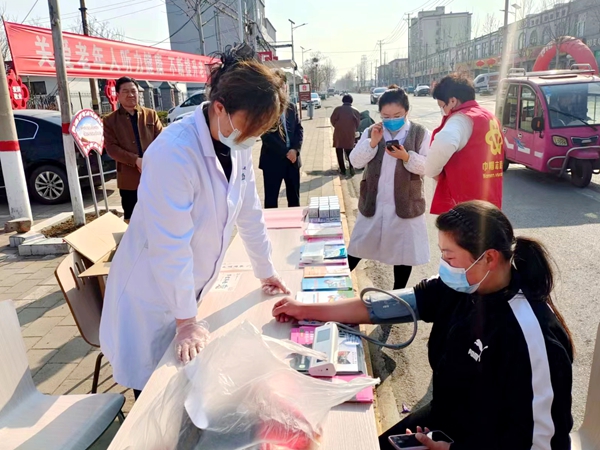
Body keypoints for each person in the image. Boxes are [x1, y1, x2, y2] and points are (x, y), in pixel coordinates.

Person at [272, 200, 574, 450]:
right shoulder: (460, 287)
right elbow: (381, 307)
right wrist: (304, 309)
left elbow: (541, 443)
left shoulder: (530, 337)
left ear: (489, 258)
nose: (444, 266)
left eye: (449, 256)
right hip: (446, 421)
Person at [100, 44, 290, 399]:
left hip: (190, 289)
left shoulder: (235, 144)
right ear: (220, 108)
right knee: (155, 395)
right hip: (152, 296)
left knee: (190, 389)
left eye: (260, 131)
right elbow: (169, 245)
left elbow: (249, 210)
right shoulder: (174, 152)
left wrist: (265, 270)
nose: (252, 138)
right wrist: (186, 321)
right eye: (250, 128)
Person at [348, 86, 431, 290]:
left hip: (405, 204)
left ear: (407, 111)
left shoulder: (420, 133)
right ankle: (334, 285)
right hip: (374, 202)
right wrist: (372, 143)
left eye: (397, 115)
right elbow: (355, 162)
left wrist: (406, 157)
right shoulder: (372, 131)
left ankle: (397, 295)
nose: (391, 120)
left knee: (403, 254)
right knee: (358, 246)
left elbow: (428, 167)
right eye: (386, 116)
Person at [426, 74, 504, 215]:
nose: (443, 112)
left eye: (442, 106)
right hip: (490, 203)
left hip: (466, 206)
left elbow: (444, 142)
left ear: (452, 101)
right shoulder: (489, 117)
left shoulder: (461, 119)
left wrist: (432, 170)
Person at [104, 77, 163, 222]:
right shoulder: (110, 120)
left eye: (133, 91)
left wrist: (149, 160)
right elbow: (112, 148)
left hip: (153, 173)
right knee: (132, 216)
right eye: (125, 91)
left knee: (157, 213)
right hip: (128, 177)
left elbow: (162, 141)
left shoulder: (151, 115)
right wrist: (135, 160)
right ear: (118, 95)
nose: (130, 95)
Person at [259, 73, 304, 209]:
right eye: (277, 85)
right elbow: (265, 134)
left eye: (283, 84)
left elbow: (299, 129)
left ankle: (295, 222)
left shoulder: (291, 107)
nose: (281, 88)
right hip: (273, 161)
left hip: (292, 161)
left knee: (294, 199)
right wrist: (286, 152)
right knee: (271, 201)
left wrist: (295, 150)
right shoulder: (265, 108)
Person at [330, 94, 361, 176]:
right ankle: (351, 167)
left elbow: (332, 120)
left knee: (339, 152)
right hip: (350, 134)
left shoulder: (337, 109)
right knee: (350, 152)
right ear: (351, 101)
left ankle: (342, 170)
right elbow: (357, 124)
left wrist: (338, 126)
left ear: (343, 100)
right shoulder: (355, 111)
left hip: (338, 134)